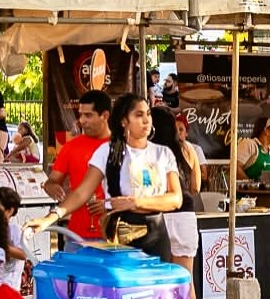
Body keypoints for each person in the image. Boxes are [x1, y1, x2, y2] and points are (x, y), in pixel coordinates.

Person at [26, 93, 182, 262]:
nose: (146, 120)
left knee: (159, 286)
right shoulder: (107, 151)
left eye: (148, 114)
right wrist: (49, 218)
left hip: (157, 233)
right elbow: (81, 193)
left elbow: (176, 198)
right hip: (120, 233)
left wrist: (137, 202)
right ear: (124, 121)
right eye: (138, 115)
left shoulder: (163, 153)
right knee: (121, 286)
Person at [151, 107, 199, 299]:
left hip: (160, 213)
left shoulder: (150, 152)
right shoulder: (186, 150)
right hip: (186, 215)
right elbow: (196, 185)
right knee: (185, 280)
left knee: (159, 280)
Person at [42, 90, 111, 244]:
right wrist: (51, 186)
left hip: (114, 235)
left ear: (105, 116)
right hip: (77, 235)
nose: (82, 120)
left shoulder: (122, 146)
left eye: (88, 115)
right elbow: (52, 181)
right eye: (80, 115)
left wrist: (109, 204)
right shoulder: (71, 147)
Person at [0, 188, 25, 293]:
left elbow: (23, 254)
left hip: (9, 288)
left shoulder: (15, 229)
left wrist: (4, 245)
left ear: (10, 211)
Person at [175, 114, 207, 191]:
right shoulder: (168, 150)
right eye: (175, 130)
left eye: (181, 129)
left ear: (187, 133)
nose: (178, 133)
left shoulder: (195, 149)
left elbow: (204, 175)